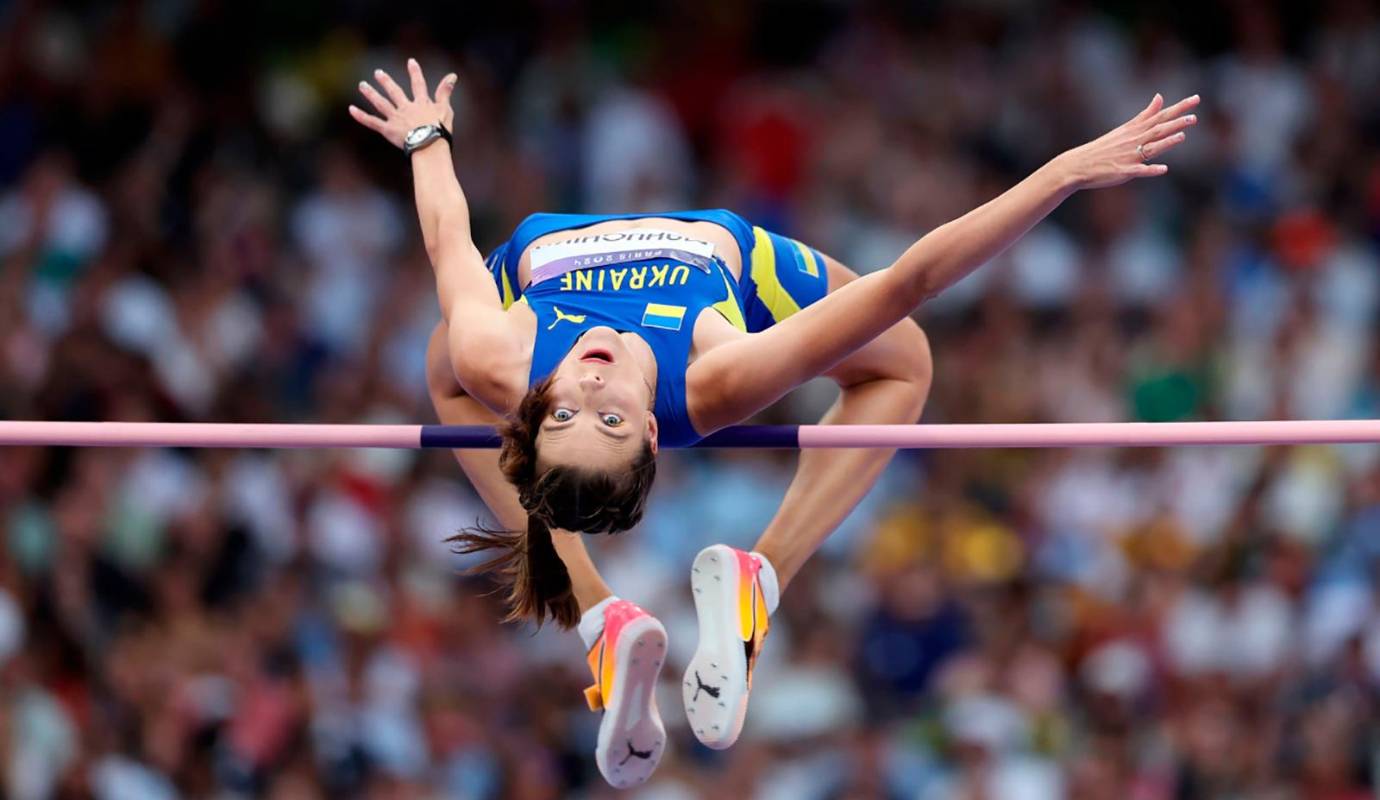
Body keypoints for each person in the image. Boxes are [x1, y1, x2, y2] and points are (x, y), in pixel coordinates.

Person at [349, 59, 1198, 787]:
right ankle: (760, 576)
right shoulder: (719, 378)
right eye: (607, 417)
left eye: (565, 408)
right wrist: (1060, 176)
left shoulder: (505, 358)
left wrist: (428, 140)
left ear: (537, 409)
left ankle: (600, 616)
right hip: (729, 260)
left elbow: (446, 237)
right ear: (650, 432)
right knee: (905, 364)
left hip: (532, 276)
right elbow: (910, 282)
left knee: (447, 371)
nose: (592, 378)